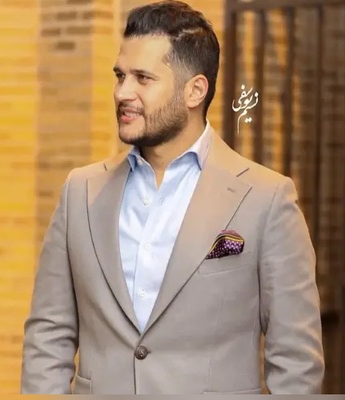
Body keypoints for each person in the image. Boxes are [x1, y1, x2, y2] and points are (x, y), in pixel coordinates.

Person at [20, 0, 324, 394]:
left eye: (143, 78)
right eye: (120, 76)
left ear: (195, 90)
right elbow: (48, 335)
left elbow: (296, 361)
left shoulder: (266, 200)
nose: (123, 92)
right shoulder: (81, 191)